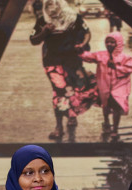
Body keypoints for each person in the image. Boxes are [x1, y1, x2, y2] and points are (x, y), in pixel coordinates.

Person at [29, 0, 96, 143]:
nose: (52, 7)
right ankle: (59, 127)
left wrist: (82, 44)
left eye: (55, 3)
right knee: (59, 91)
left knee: (75, 89)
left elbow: (87, 33)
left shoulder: (74, 18)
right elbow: (33, 40)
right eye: (48, 5)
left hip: (72, 60)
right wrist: (44, 32)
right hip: (52, 62)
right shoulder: (42, 20)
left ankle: (72, 115)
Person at [80, 32, 132, 143]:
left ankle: (115, 129)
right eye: (107, 42)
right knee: (105, 104)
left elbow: (130, 68)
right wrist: (80, 51)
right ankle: (106, 122)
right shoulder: (101, 55)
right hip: (104, 84)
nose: (109, 44)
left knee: (116, 106)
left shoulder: (125, 58)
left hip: (119, 86)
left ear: (118, 43)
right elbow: (88, 57)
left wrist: (116, 67)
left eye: (112, 42)